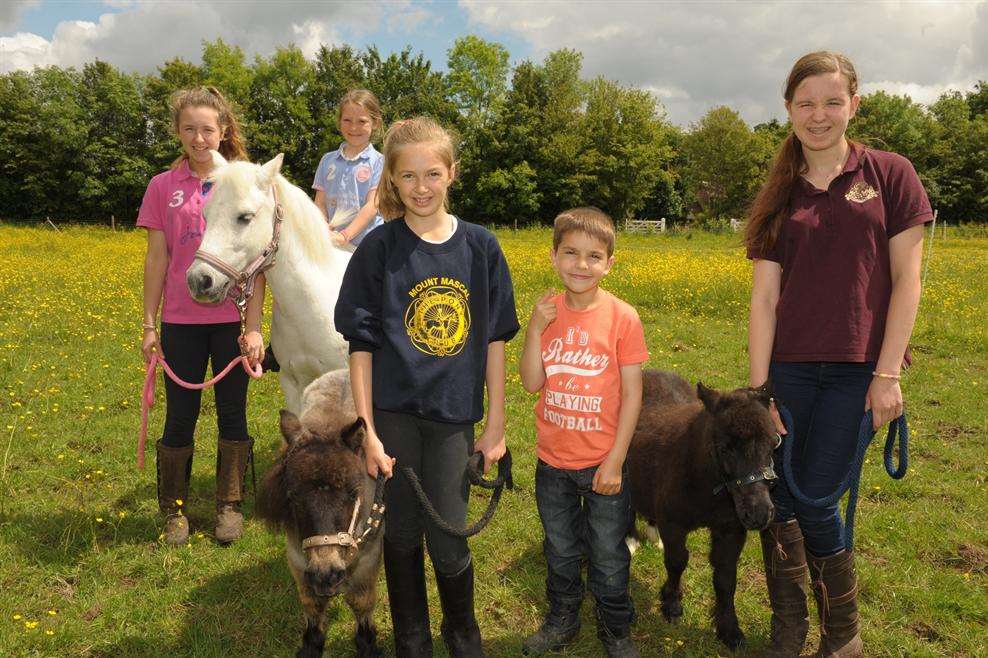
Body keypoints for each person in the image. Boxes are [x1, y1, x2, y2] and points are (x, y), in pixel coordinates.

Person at [746, 51, 931, 658]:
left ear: (854, 103)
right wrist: (758, 394)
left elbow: (908, 282)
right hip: (789, 371)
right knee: (779, 499)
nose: (818, 115)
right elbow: (765, 299)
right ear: (789, 110)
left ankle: (843, 634)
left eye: (831, 102)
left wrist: (886, 375)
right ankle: (789, 629)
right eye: (805, 103)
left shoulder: (890, 175)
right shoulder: (778, 192)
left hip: (859, 371)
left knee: (818, 497)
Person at [334, 117, 519, 658]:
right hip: (392, 415)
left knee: (448, 531)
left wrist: (497, 426)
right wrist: (366, 431)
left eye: (432, 173)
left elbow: (494, 342)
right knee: (400, 532)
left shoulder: (482, 248)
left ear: (451, 174)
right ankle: (412, 638)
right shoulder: (379, 250)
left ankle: (463, 632)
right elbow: (360, 347)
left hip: (453, 418)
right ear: (391, 178)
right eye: (408, 175)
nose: (421, 186)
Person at [138, 86, 265, 546]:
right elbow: (157, 258)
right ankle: (175, 511)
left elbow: (258, 261)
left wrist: (253, 326)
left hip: (230, 320)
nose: (199, 137)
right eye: (189, 128)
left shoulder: (244, 181)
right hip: (180, 322)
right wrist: (150, 324)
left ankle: (229, 506)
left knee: (234, 414)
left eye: (208, 129)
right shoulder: (162, 186)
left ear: (223, 131)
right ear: (177, 131)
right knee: (180, 415)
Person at [519, 208, 648, 658]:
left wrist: (614, 460)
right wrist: (535, 327)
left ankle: (616, 629)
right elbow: (532, 381)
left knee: (610, 555)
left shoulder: (622, 318)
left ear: (609, 263)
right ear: (554, 256)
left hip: (603, 464)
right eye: (570, 253)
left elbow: (633, 395)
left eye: (594, 256)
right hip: (552, 461)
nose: (581, 264)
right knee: (560, 549)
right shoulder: (547, 313)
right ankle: (563, 620)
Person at [313, 89, 385, 249]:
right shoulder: (327, 160)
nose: (354, 127)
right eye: (347, 120)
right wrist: (323, 227)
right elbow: (320, 203)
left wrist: (345, 235)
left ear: (375, 123)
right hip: (332, 244)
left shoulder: (380, 162)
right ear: (339, 122)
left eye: (362, 121)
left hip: (368, 246)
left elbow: (373, 205)